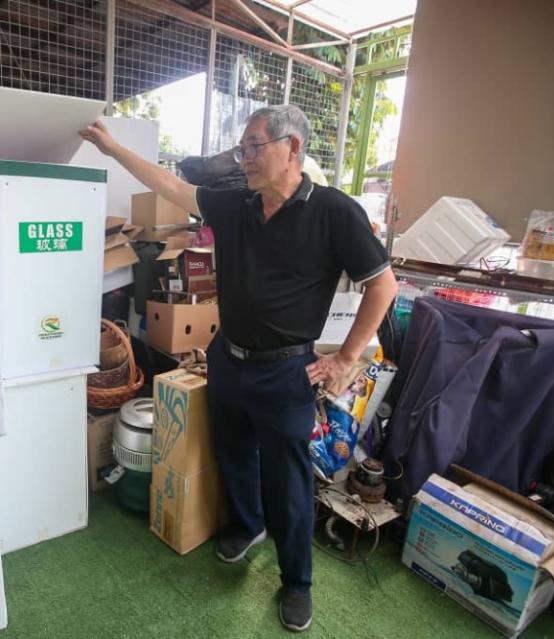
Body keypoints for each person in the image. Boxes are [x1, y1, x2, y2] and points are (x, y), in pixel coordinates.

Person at [79, 105, 397, 632]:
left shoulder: (335, 212)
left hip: (287, 371)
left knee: (288, 482)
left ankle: (297, 582)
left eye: (254, 147)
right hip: (227, 358)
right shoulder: (237, 206)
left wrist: (346, 358)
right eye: (242, 148)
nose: (244, 158)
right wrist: (112, 149)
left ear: (291, 148)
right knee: (234, 454)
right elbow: (173, 186)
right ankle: (248, 527)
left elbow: (383, 285)